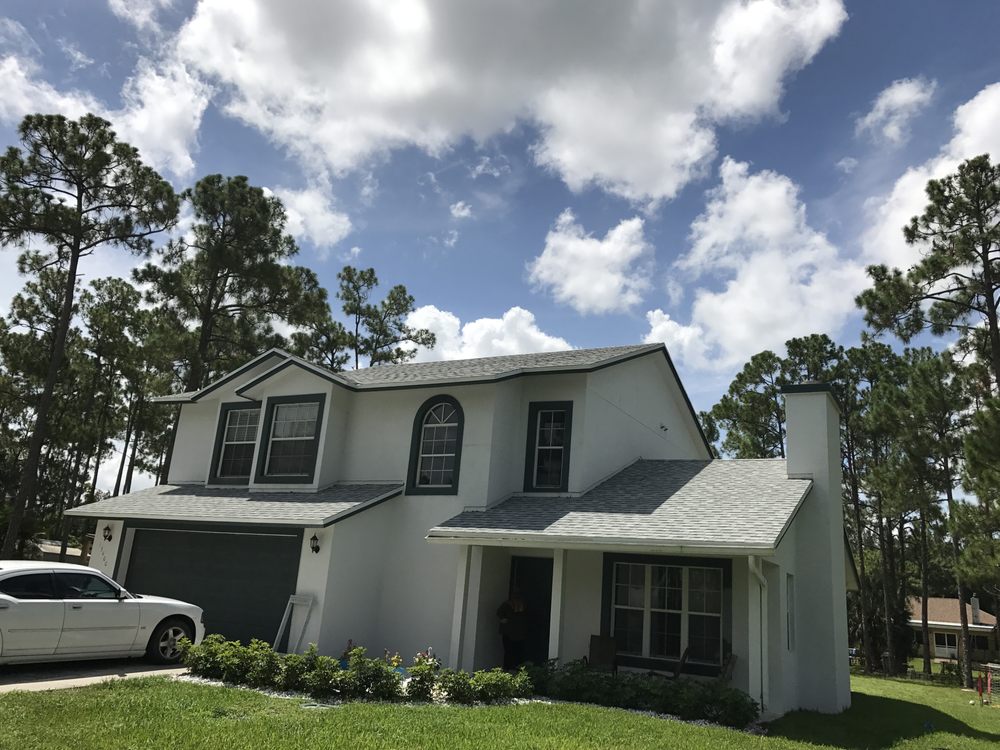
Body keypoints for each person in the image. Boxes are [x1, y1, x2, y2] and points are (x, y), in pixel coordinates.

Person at [497, 588, 527, 670]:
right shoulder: (507, 605)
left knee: (517, 653)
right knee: (509, 653)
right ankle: (508, 670)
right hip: (509, 634)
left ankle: (517, 670)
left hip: (519, 634)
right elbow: (499, 614)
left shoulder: (523, 605)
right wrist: (503, 619)